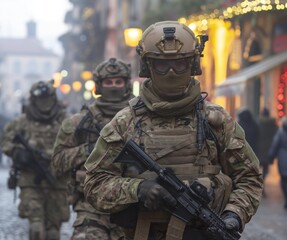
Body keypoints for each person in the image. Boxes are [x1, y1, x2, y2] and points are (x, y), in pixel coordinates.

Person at [83, 21, 263, 239]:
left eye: (180, 64)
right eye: (161, 64)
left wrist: (233, 215)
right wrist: (137, 190)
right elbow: (95, 184)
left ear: (194, 64)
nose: (171, 72)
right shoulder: (126, 122)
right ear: (147, 66)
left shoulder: (216, 120)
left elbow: (249, 177)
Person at [52, 57, 133, 240]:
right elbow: (57, 163)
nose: (113, 86)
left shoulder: (142, 120)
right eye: (108, 82)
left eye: (118, 82)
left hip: (134, 205)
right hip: (91, 206)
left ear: (126, 84)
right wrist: (88, 149)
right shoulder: (78, 122)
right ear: (98, 86)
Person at [1, 80, 70, 240]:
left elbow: (79, 146)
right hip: (30, 181)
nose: (43, 103)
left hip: (57, 181)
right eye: (40, 99)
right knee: (36, 228)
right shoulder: (22, 122)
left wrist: (56, 156)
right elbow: (6, 142)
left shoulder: (66, 121)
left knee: (53, 231)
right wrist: (18, 153)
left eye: (47, 98)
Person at [258, 108, 278, 195]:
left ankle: (259, 186)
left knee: (257, 170)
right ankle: (263, 184)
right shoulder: (273, 125)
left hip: (258, 150)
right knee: (265, 170)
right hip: (268, 151)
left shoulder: (258, 123)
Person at [268, 117, 287, 209]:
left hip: (283, 157)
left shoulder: (281, 131)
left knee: (284, 179)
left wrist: (271, 157)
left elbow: (275, 144)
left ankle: (286, 198)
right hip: (282, 155)